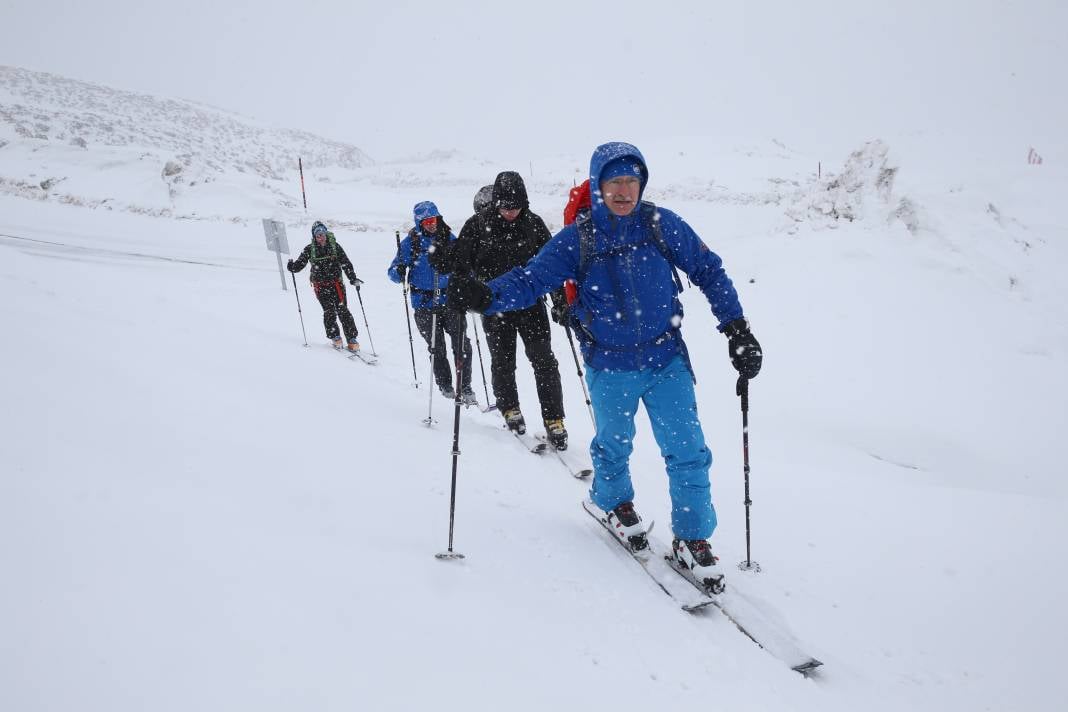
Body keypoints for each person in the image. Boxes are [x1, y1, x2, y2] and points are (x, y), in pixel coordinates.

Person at [445, 142, 763, 589]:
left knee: (689, 450)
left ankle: (691, 538)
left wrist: (736, 328)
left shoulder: (659, 224)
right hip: (609, 362)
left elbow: (708, 269)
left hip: (666, 357)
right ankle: (612, 500)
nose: (623, 191)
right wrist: (486, 295)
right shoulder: (579, 238)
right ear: (598, 185)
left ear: (642, 184)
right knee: (615, 444)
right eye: (614, 181)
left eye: (632, 181)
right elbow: (532, 278)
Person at [431, 171, 569, 450]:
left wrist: (560, 301)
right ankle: (510, 409)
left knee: (544, 361)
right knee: (504, 362)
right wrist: (457, 285)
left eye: (516, 207)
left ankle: (554, 419)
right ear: (495, 203)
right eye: (505, 207)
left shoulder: (534, 224)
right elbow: (460, 264)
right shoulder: (477, 226)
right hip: (494, 308)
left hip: (532, 306)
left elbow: (553, 266)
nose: (510, 212)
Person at [388, 201, 476, 403]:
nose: (431, 224)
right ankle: (445, 386)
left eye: (433, 220)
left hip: (451, 300)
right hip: (424, 304)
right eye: (426, 221)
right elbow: (393, 272)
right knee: (437, 347)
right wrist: (398, 272)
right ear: (419, 223)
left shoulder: (449, 238)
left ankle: (465, 386)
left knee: (462, 343)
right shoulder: (411, 243)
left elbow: (463, 263)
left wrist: (471, 276)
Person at [288, 220, 363, 351]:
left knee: (343, 310)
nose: (320, 237)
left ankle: (351, 339)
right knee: (329, 311)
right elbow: (300, 264)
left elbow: (345, 263)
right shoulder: (309, 249)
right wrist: (292, 267)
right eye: (317, 234)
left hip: (337, 285)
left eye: (322, 233)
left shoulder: (335, 246)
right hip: (320, 286)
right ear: (314, 236)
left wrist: (352, 278)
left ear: (326, 233)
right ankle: (335, 337)